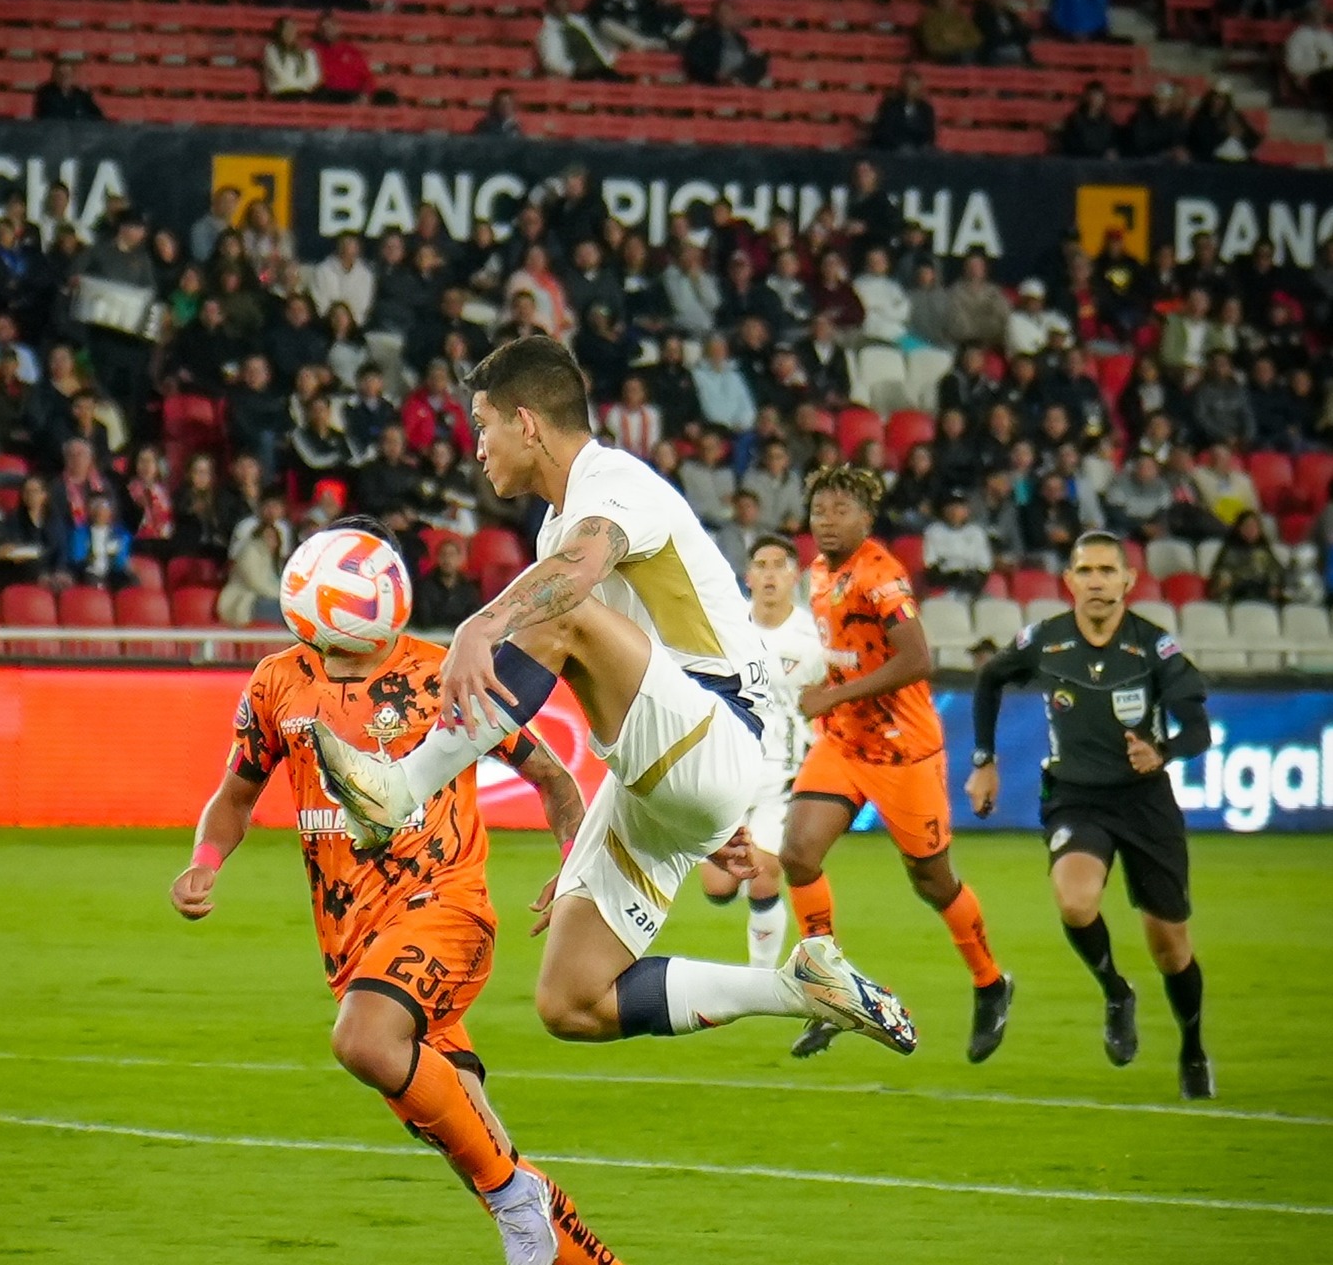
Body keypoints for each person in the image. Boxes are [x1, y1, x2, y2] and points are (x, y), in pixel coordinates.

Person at [310, 338, 917, 1067]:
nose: (476, 447)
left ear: (527, 423)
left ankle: (401, 787)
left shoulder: (613, 483)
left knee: (557, 607)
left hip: (717, 728)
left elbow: (577, 588)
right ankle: (798, 988)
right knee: (572, 999)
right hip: (673, 764)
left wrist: (483, 621)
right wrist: (639, 811)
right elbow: (601, 670)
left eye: (483, 424)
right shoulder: (555, 525)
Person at [172, 528, 683, 1265]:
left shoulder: (441, 671)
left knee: (364, 1040)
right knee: (481, 1150)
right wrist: (203, 863)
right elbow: (234, 795)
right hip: (358, 945)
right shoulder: (275, 684)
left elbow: (555, 777)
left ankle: (517, 1198)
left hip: (445, 910)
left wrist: (575, 873)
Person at [969, 532, 1215, 1098]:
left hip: (1145, 802)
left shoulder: (1154, 648)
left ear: (1129, 581)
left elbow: (1197, 725)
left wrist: (1165, 752)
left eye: (1109, 571)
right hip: (1076, 796)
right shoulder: (1045, 641)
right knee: (1076, 901)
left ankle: (1193, 1047)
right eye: (1087, 571)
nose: (1098, 581)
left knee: (1171, 948)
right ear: (1070, 581)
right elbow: (989, 678)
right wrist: (984, 760)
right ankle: (1115, 990)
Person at [780, 463, 1011, 1063]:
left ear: (867, 517)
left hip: (904, 751)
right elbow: (846, 653)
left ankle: (990, 982)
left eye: (840, 511)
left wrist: (832, 694)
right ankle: (830, 989)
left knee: (932, 882)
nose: (826, 521)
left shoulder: (882, 578)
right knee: (797, 854)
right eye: (818, 511)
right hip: (844, 744)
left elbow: (916, 660)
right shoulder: (820, 574)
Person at [697, 535, 822, 970]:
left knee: (765, 874)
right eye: (761, 566)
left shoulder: (813, 635)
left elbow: (832, 698)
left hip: (783, 775)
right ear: (747, 577)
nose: (770, 574)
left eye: (779, 565)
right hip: (727, 768)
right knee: (718, 886)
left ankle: (760, 978)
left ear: (795, 577)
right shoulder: (725, 629)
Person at [536, 0, 619, 81]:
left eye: (564, 2)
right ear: (551, 7)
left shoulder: (583, 24)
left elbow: (598, 45)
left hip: (599, 68)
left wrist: (606, 60)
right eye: (558, 4)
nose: (562, 7)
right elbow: (551, 62)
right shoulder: (548, 32)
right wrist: (575, 69)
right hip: (574, 74)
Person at [683, 0, 767, 87]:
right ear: (716, 15)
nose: (728, 16)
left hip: (738, 76)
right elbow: (695, 61)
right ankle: (735, 81)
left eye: (731, 13)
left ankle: (737, 80)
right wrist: (715, 74)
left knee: (759, 59)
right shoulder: (703, 37)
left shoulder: (741, 40)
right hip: (715, 80)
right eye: (724, 13)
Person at [413, 533, 481, 628]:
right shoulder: (424, 586)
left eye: (452, 555)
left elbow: (473, 620)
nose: (447, 559)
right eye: (443, 554)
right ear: (437, 558)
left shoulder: (469, 588)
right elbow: (424, 620)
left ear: (460, 559)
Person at [869, 67, 935, 152]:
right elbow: (884, 132)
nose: (912, 89)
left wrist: (918, 147)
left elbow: (929, 135)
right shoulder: (891, 105)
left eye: (915, 85)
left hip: (918, 151)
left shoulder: (926, 109)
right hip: (893, 150)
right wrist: (901, 146)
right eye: (909, 85)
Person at [914, 0, 980, 65]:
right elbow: (931, 44)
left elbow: (975, 39)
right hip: (941, 56)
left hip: (960, 53)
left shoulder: (961, 17)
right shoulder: (929, 18)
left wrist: (955, 40)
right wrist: (952, 41)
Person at [1059, 81, 1117, 159]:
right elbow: (1071, 146)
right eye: (1094, 95)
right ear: (1087, 97)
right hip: (1081, 163)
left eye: (1099, 96)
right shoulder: (1075, 120)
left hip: (1101, 165)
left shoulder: (1108, 122)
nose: (1096, 99)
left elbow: (1112, 144)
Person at [33, 58, 103, 121]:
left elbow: (98, 118)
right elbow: (45, 117)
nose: (64, 77)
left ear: (73, 76)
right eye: (60, 74)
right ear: (54, 76)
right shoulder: (45, 93)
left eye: (67, 74)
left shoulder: (82, 95)